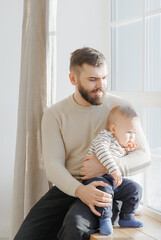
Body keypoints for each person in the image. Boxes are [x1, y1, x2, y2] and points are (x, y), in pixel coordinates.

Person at [14, 47, 151, 240]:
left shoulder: (120, 108)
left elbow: (144, 155)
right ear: (73, 79)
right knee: (26, 236)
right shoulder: (55, 114)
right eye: (93, 79)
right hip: (68, 186)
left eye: (104, 78)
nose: (101, 85)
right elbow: (54, 166)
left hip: (105, 187)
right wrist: (79, 190)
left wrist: (105, 167)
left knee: (74, 226)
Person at [83, 105, 143, 235]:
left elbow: (121, 156)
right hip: (97, 178)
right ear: (114, 129)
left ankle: (127, 217)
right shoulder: (104, 138)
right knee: (105, 191)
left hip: (113, 179)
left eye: (134, 133)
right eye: (129, 132)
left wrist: (129, 150)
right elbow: (103, 152)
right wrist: (115, 169)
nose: (132, 137)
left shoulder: (121, 144)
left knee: (135, 189)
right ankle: (105, 220)